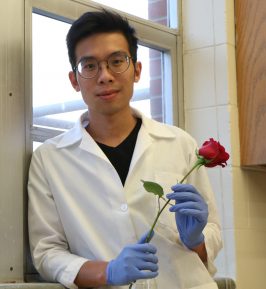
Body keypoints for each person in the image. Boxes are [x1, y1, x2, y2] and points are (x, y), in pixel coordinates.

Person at [28, 9, 222, 289]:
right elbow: (47, 252)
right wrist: (108, 272)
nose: (105, 76)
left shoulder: (180, 144)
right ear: (74, 80)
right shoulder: (49, 159)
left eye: (117, 61)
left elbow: (213, 230)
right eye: (90, 66)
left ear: (137, 71)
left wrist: (197, 240)